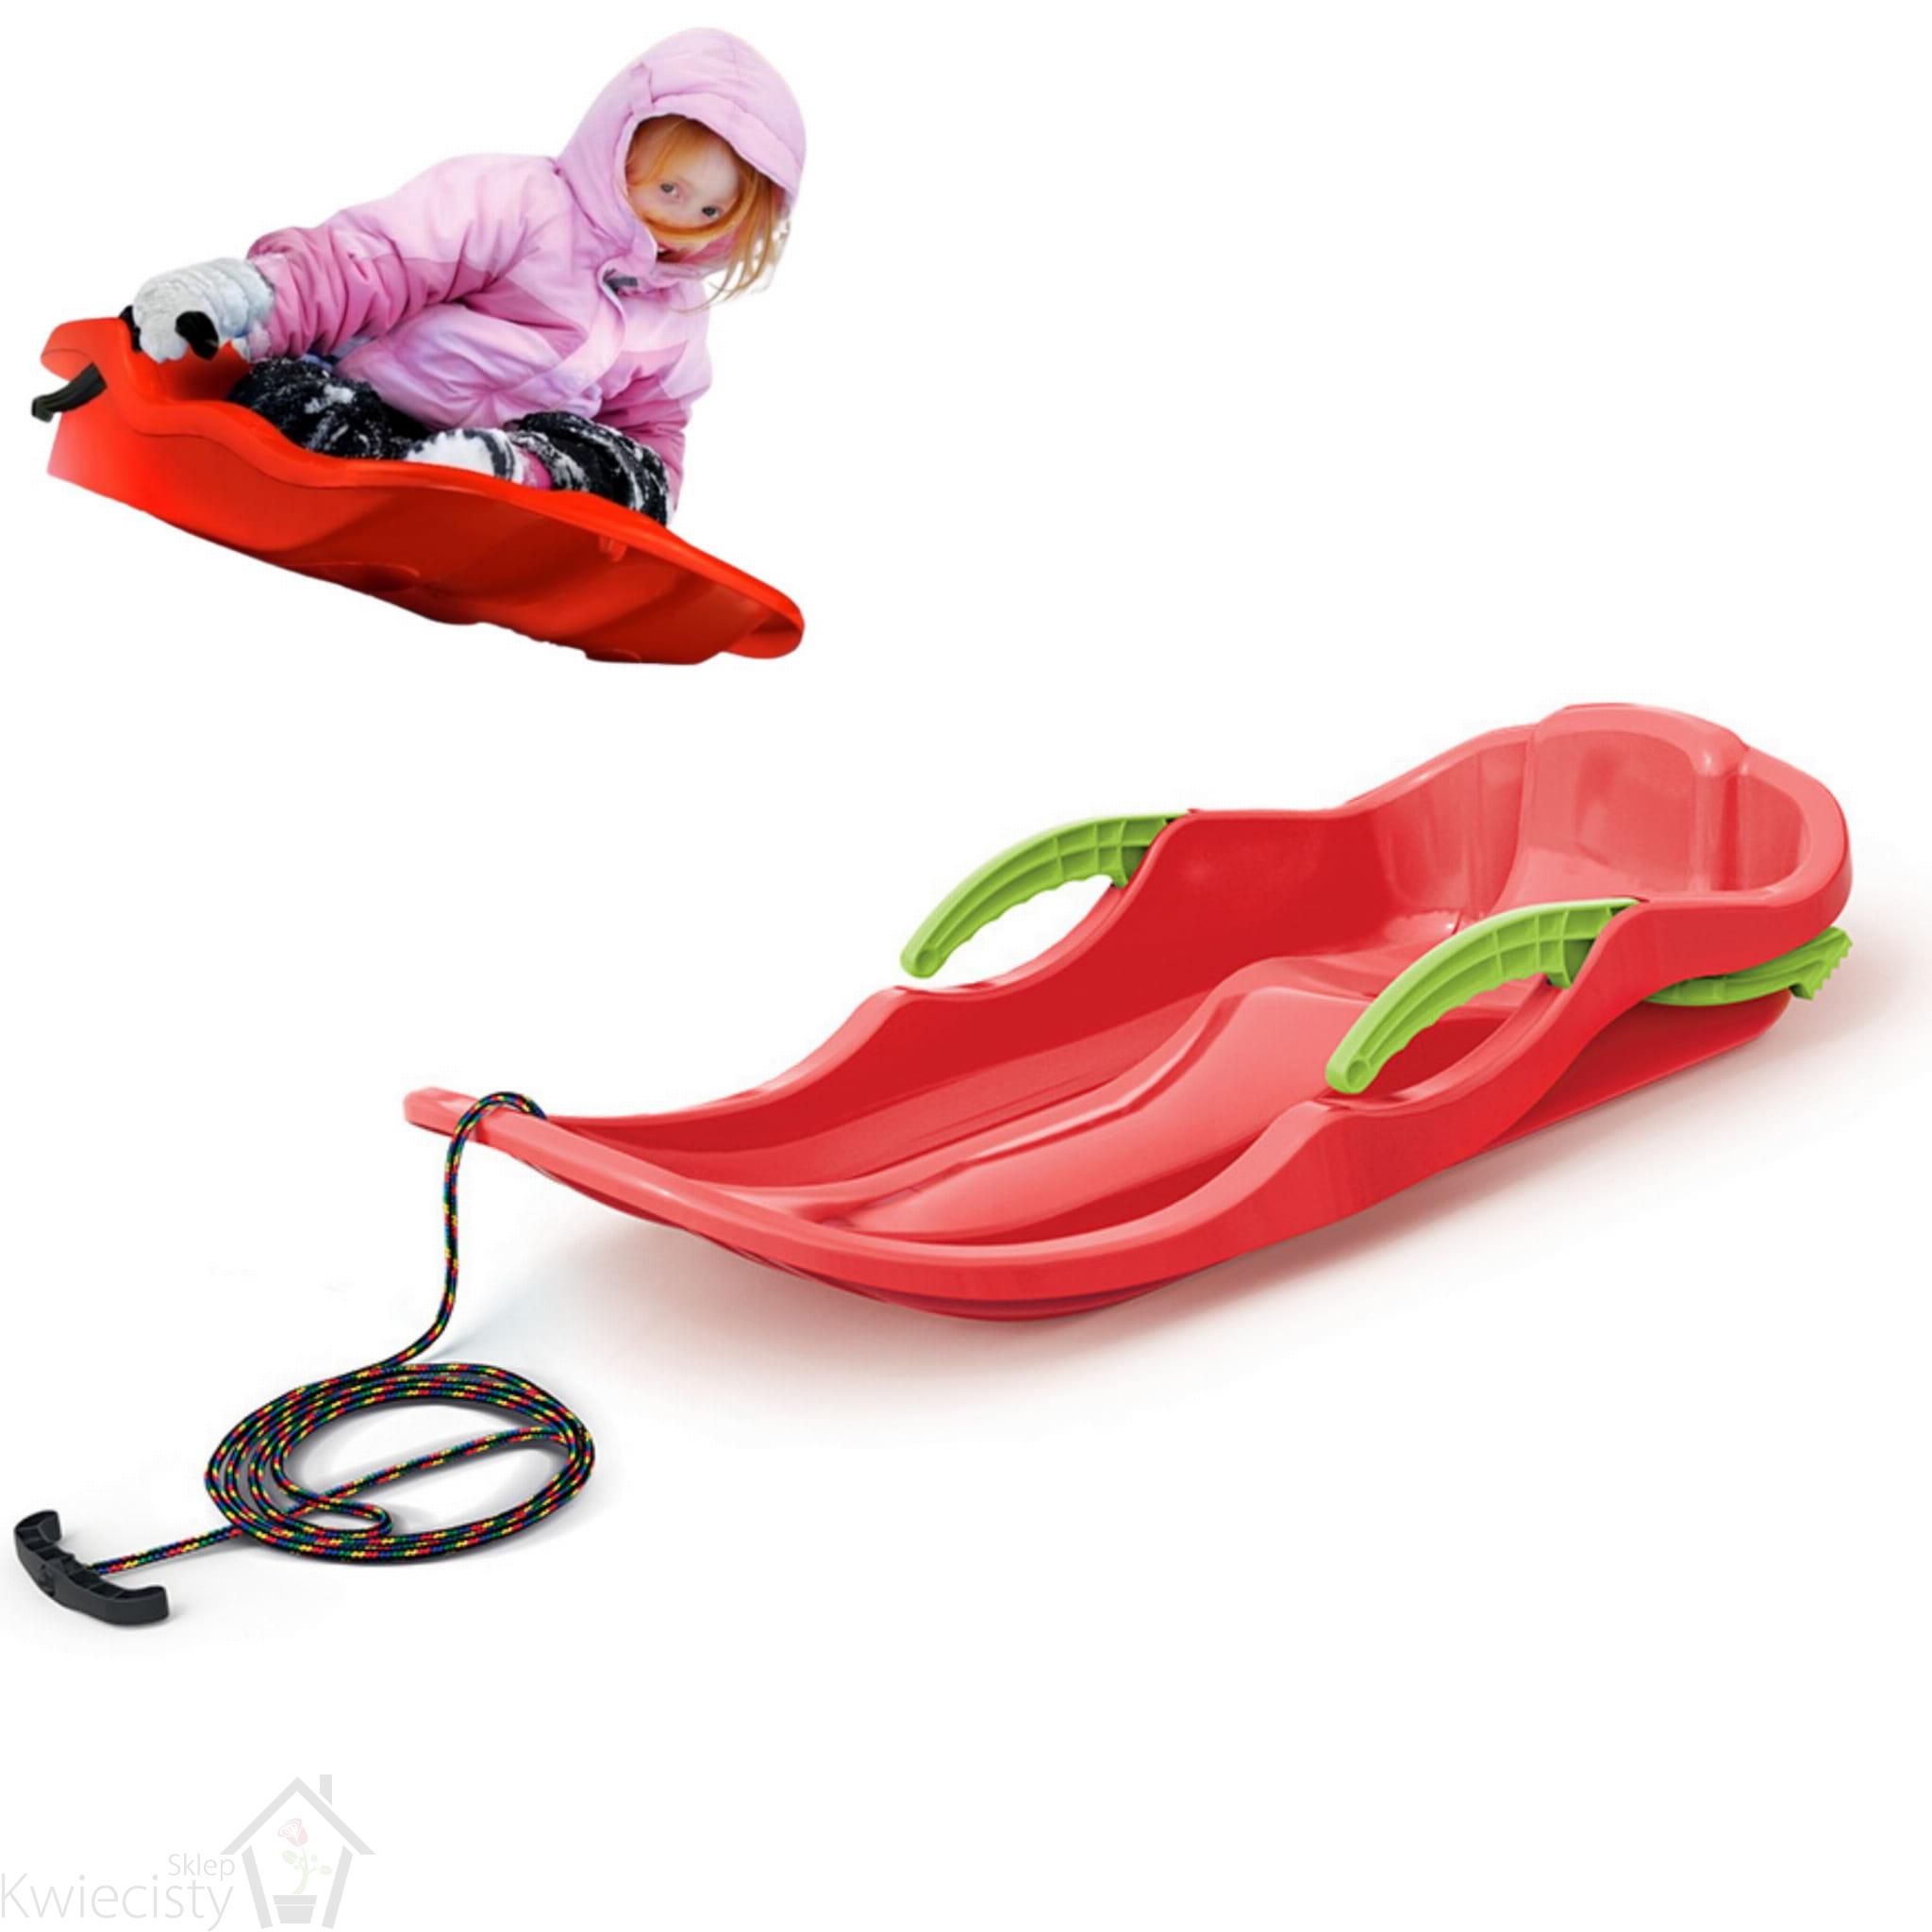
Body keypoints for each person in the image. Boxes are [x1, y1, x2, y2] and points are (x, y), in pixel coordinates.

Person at [126, 29, 803, 525]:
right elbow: (369, 265)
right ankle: (356, 466)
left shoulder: (678, 313)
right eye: (669, 189)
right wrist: (244, 307)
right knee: (289, 398)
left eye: (713, 211)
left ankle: (498, 478)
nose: (681, 224)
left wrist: (641, 502)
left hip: (514, 458)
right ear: (619, 147)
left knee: (634, 469)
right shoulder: (520, 204)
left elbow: (651, 423)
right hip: (374, 404)